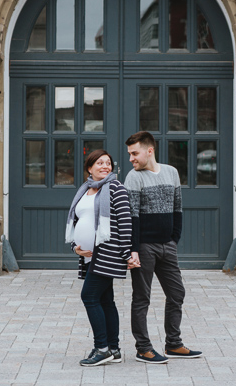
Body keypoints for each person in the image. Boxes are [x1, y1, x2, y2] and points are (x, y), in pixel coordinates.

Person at [125, 131, 202, 364]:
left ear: (150, 151)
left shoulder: (171, 172)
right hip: (144, 247)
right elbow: (131, 216)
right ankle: (143, 348)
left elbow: (178, 208)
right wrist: (133, 249)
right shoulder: (133, 177)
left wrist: (173, 239)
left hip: (167, 245)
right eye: (129, 154)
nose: (131, 158)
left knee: (177, 293)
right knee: (142, 298)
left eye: (135, 153)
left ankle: (174, 344)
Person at [65, 149, 138, 367]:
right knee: (105, 300)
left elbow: (125, 223)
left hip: (108, 253)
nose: (105, 166)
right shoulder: (85, 189)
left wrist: (126, 253)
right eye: (100, 163)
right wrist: (75, 247)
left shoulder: (115, 187)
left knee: (89, 296)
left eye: (108, 163)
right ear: (89, 167)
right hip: (89, 256)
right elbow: (77, 221)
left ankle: (102, 348)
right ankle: (113, 349)